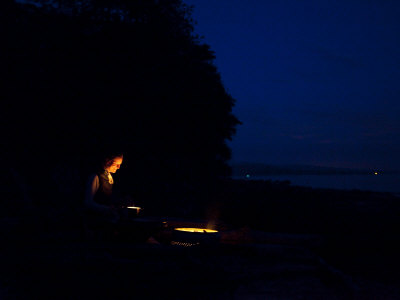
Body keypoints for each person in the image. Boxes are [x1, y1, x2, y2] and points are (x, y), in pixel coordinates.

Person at [84, 153, 124, 238]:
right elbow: (88, 203)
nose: (118, 167)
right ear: (107, 161)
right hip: (95, 224)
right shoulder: (95, 176)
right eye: (116, 164)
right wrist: (107, 209)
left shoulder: (109, 177)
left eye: (120, 165)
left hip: (107, 221)